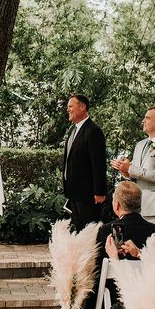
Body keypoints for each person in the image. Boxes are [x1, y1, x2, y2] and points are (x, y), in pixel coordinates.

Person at [111, 106, 155, 236]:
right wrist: (126, 172)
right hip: (136, 210)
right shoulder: (140, 145)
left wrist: (130, 168)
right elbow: (137, 174)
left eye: (147, 118)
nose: (143, 121)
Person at [62, 94, 107, 231]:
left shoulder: (93, 131)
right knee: (78, 231)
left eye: (71, 106)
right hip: (73, 194)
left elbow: (98, 164)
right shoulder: (73, 130)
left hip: (88, 195)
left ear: (82, 107)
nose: (68, 110)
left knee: (90, 232)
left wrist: (99, 192)